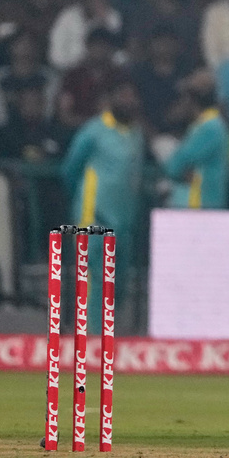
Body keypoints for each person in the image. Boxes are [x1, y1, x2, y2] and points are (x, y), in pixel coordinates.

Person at [60, 74, 145, 333]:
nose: (128, 101)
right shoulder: (93, 131)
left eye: (132, 96)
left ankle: (103, 333)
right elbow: (70, 170)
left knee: (117, 281)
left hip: (124, 220)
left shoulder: (136, 134)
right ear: (110, 99)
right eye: (123, 95)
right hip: (93, 215)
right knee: (94, 276)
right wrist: (83, 203)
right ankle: (91, 337)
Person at [163, 72, 229, 209]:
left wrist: (176, 169)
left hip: (199, 204)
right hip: (193, 204)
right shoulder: (201, 125)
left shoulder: (210, 127)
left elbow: (176, 164)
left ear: (190, 100)